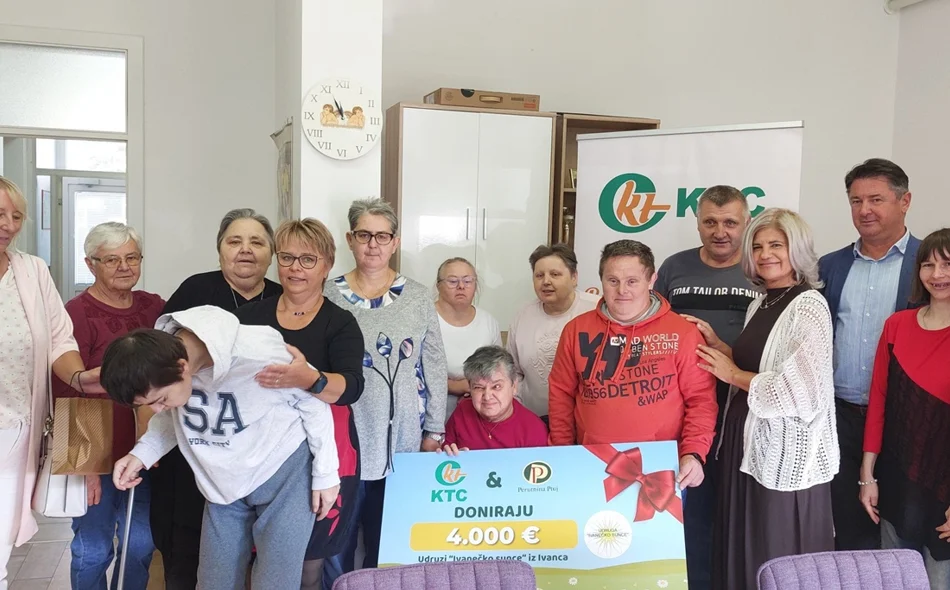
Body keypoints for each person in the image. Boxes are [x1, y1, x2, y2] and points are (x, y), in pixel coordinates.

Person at [101, 306, 340, 590]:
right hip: (222, 482)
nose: (156, 409)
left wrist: (326, 475)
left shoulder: (260, 352)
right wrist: (141, 453)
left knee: (276, 582)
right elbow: (174, 416)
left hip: (284, 473)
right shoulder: (162, 365)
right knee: (214, 580)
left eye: (160, 399)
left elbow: (313, 403)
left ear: (182, 367)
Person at [688, 208, 838, 590]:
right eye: (757, 246)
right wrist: (719, 346)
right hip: (746, 447)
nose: (765, 254)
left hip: (782, 455)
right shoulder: (761, 302)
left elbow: (799, 391)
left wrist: (731, 374)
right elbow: (758, 364)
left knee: (773, 553)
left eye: (776, 245)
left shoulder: (808, 305)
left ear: (797, 250)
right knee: (744, 548)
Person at [152, 207, 283, 589]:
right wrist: (150, 432)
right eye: (234, 241)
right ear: (220, 249)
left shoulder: (282, 298)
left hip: (260, 447)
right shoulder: (195, 290)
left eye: (257, 242)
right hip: (199, 439)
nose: (246, 250)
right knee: (188, 545)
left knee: (254, 551)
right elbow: (160, 363)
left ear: (271, 253)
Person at [322, 198, 447, 588]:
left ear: (395, 242)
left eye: (382, 236)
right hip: (344, 439)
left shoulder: (418, 297)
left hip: (402, 439)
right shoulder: (327, 294)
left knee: (389, 541)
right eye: (364, 235)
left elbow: (434, 363)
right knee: (336, 544)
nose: (372, 244)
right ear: (350, 239)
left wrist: (434, 430)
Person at [235, 218, 365, 590]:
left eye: (308, 260)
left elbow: (352, 387)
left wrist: (310, 379)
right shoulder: (249, 318)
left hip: (324, 454)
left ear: (327, 265)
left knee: (309, 564)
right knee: (256, 555)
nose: (295, 268)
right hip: (259, 449)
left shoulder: (340, 323)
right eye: (287, 257)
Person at [547, 239, 717, 492]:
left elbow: (701, 400)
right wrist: (562, 451)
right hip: (591, 462)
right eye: (612, 280)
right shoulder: (575, 330)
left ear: (651, 280)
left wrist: (693, 452)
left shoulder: (683, 333)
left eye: (632, 281)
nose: (622, 290)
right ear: (601, 280)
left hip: (663, 467)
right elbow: (561, 394)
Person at [0, 176, 103, 589]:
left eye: (17, 216)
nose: (9, 225)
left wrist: (80, 377)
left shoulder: (32, 270)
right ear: (91, 262)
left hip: (16, 431)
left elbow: (60, 342)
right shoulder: (82, 304)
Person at [654, 185, 758, 590]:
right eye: (710, 222)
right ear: (697, 223)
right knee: (689, 503)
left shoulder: (760, 266)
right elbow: (649, 320)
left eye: (730, 222)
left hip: (744, 403)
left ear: (746, 223)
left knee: (734, 506)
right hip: (680, 408)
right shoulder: (674, 267)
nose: (720, 232)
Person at [53, 222, 164, 590]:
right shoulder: (76, 312)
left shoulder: (154, 307)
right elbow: (66, 389)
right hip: (94, 454)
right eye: (112, 260)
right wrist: (82, 466)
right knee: (94, 548)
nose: (124, 266)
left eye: (132, 257)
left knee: (141, 544)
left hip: (144, 450)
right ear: (91, 264)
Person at [819, 158, 920, 551]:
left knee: (903, 526)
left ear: (904, 201)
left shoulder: (930, 265)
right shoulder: (830, 266)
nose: (864, 210)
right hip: (841, 418)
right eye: (856, 201)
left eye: (876, 199)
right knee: (847, 526)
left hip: (905, 421)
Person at [859, 228, 950, 588]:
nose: (937, 274)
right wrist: (867, 474)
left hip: (944, 488)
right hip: (896, 479)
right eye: (928, 265)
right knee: (895, 580)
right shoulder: (896, 325)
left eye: (947, 264)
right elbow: (879, 401)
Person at [507, 244, 597, 424]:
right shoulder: (523, 316)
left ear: (574, 277)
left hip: (586, 421)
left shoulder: (596, 309)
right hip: (534, 420)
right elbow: (512, 371)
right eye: (539, 275)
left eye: (555, 274)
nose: (546, 281)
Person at [441, 346, 548, 453]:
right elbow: (444, 452)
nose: (487, 397)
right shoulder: (463, 411)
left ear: (514, 386)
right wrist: (453, 455)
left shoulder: (534, 430)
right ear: (470, 388)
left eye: (496, 386)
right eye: (478, 387)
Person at [434, 257, 501, 418]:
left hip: (477, 415)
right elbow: (410, 372)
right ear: (438, 286)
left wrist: (476, 386)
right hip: (431, 413)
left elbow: (499, 370)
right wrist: (456, 386)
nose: (461, 286)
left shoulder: (488, 322)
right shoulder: (425, 319)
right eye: (452, 281)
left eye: (468, 281)